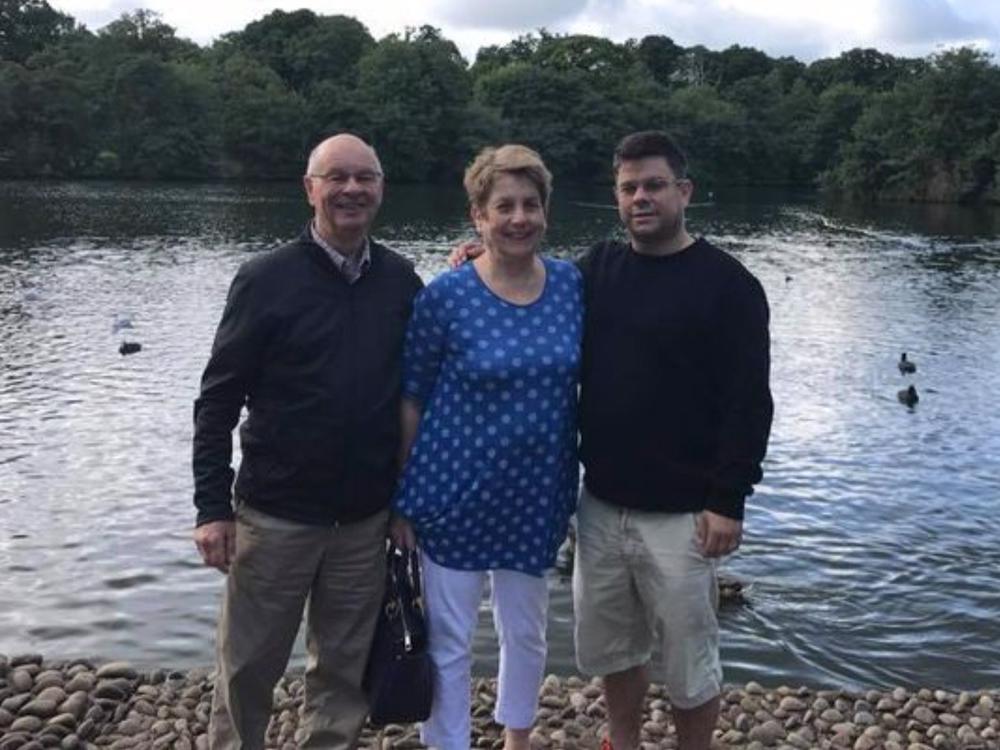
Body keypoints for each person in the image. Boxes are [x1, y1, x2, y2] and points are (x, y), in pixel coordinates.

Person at [453, 131, 773, 750]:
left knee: (689, 662)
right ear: (617, 197)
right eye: (629, 188)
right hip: (600, 506)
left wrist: (728, 499)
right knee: (614, 651)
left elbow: (750, 403)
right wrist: (483, 259)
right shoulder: (596, 270)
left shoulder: (730, 286)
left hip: (684, 514)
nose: (640, 198)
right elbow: (532, 284)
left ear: (685, 191)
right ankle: (620, 742)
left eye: (654, 185)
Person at [191, 133, 423, 750]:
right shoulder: (265, 279)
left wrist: (476, 263)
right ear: (309, 189)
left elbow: (422, 384)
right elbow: (217, 400)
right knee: (247, 667)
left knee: (342, 674)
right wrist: (211, 507)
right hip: (275, 515)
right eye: (336, 177)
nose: (351, 189)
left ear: (381, 189)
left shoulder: (401, 281)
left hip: (363, 521)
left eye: (364, 177)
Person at [390, 145, 583, 750]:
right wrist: (399, 499)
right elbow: (411, 399)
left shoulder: (572, 285)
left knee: (525, 633)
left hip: (536, 497)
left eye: (530, 205)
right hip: (450, 494)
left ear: (546, 211)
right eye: (504, 206)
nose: (518, 218)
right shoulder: (446, 296)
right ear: (478, 216)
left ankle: (516, 738)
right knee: (448, 642)